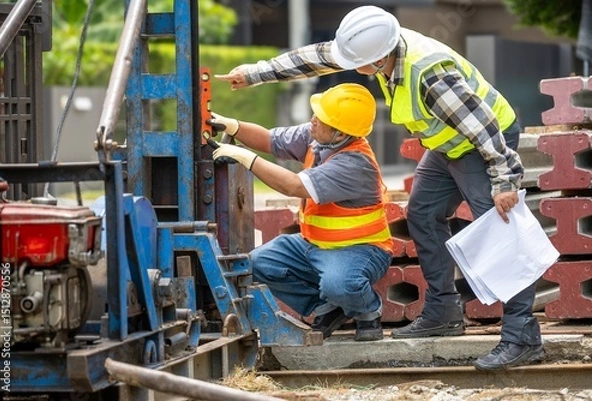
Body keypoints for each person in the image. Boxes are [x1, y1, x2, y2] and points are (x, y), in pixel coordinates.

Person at [214, 5, 545, 370]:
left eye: (361, 64)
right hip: (449, 143)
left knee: (498, 229)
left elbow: (485, 130)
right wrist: (255, 74)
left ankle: (522, 336)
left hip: (483, 144)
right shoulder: (377, 46)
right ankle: (443, 311)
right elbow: (318, 58)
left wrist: (504, 180)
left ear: (380, 56)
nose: (355, 69)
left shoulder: (431, 75)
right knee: (422, 213)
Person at [207, 83, 394, 342]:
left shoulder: (354, 164)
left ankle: (367, 311)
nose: (313, 120)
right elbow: (270, 140)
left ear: (340, 134)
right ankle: (326, 308)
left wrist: (246, 159)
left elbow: (292, 185)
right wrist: (233, 126)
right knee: (257, 264)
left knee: (339, 284)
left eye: (322, 118)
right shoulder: (316, 137)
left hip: (360, 250)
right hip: (313, 245)